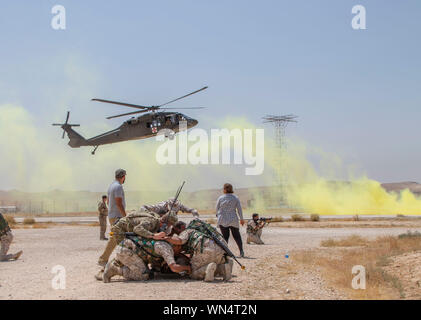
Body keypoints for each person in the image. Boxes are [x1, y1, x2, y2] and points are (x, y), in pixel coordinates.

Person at [102, 213, 189, 282]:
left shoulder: (157, 224)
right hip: (121, 229)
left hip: (130, 241)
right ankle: (113, 269)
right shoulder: (151, 222)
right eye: (169, 225)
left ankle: (115, 266)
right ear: (164, 223)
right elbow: (137, 229)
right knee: (141, 273)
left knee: (134, 253)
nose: (169, 227)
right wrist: (153, 235)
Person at [166, 220, 233, 282]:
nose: (177, 233)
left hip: (207, 249)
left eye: (176, 231)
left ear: (182, 227)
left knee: (193, 273)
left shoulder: (187, 231)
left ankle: (206, 269)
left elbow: (180, 241)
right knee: (213, 262)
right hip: (221, 249)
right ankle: (223, 267)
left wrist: (166, 238)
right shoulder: (201, 231)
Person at [97, 169, 127, 266]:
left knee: (118, 238)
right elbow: (118, 203)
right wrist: (125, 216)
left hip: (112, 215)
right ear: (123, 176)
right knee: (114, 238)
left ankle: (122, 261)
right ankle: (103, 260)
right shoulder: (118, 187)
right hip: (117, 216)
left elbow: (109, 202)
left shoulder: (111, 186)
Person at [215, 183, 245, 257]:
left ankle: (225, 253)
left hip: (223, 219)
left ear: (224, 189)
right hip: (233, 219)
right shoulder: (235, 198)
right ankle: (241, 251)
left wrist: (218, 215)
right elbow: (239, 210)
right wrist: (241, 219)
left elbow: (217, 208)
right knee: (237, 236)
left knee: (225, 237)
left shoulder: (220, 198)